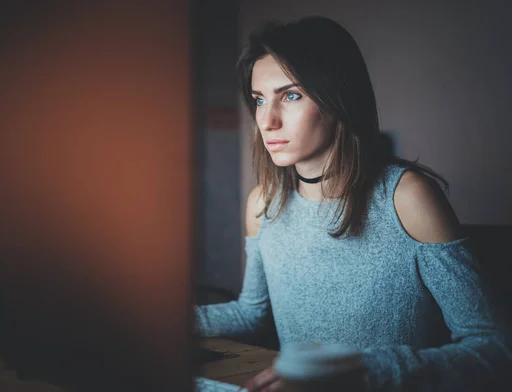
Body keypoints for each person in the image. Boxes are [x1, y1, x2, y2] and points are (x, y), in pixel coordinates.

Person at [195, 16, 512, 391]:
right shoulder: (262, 204)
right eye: (259, 100)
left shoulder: (408, 197)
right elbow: (252, 314)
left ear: (338, 99)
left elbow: (495, 350)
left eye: (291, 95)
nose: (267, 120)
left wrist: (364, 370)